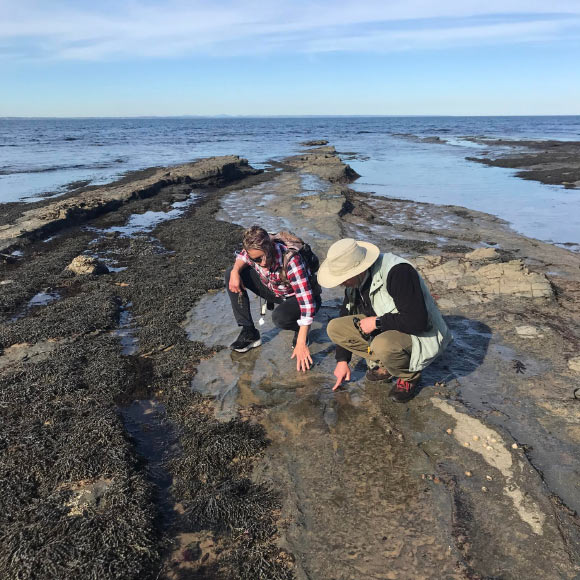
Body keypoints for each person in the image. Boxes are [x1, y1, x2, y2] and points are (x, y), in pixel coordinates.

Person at [318, 238, 452, 402]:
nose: (342, 284)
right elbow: (345, 315)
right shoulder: (354, 283)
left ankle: (409, 375)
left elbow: (418, 322)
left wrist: (377, 322)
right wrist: (342, 360)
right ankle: (387, 362)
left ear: (358, 270)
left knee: (382, 345)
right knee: (335, 328)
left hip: (422, 334)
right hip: (389, 329)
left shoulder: (398, 272)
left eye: (344, 279)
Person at [226, 225, 321, 372]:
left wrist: (301, 342)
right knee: (230, 274)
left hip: (300, 297)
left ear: (271, 246)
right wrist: (235, 271)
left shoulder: (291, 260)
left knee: (280, 318)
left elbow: (307, 304)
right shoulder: (252, 253)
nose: (263, 262)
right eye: (257, 259)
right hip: (276, 291)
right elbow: (242, 257)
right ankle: (249, 332)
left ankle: (300, 329)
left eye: (266, 255)